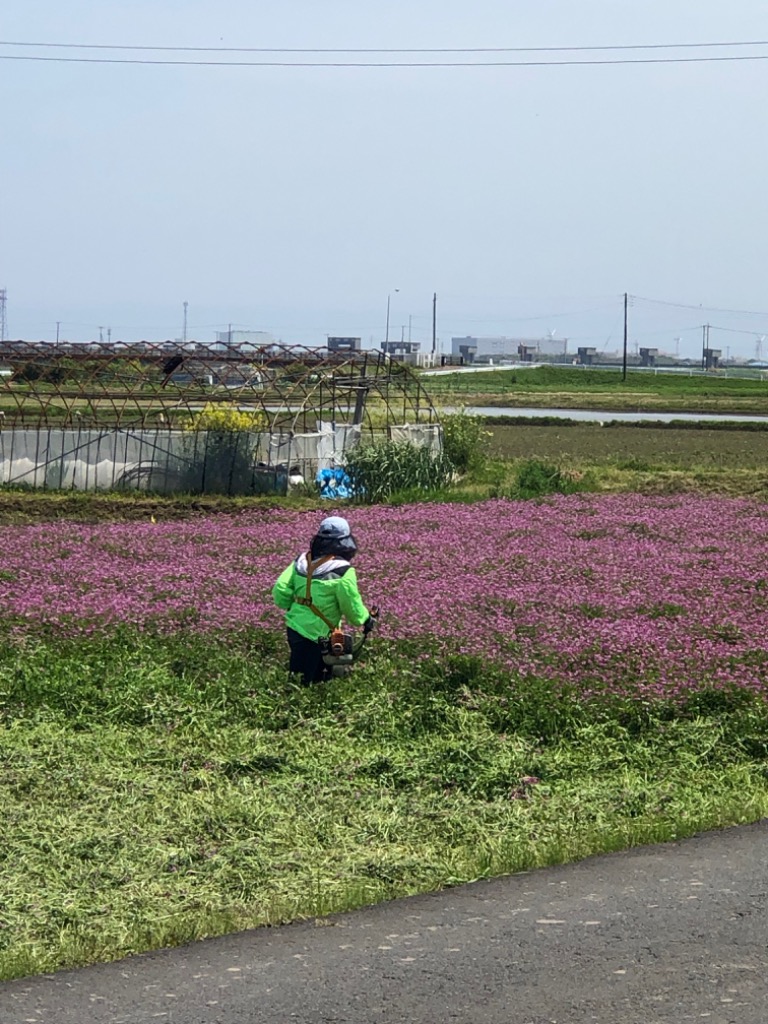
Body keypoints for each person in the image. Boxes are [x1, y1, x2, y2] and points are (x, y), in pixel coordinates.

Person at [272, 515, 375, 684]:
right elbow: (352, 607)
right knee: (315, 680)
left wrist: (294, 607)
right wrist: (365, 618)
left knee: (298, 672)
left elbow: (280, 589)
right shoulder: (343, 571)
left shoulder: (301, 561)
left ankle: (291, 699)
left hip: (294, 628)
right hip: (321, 635)